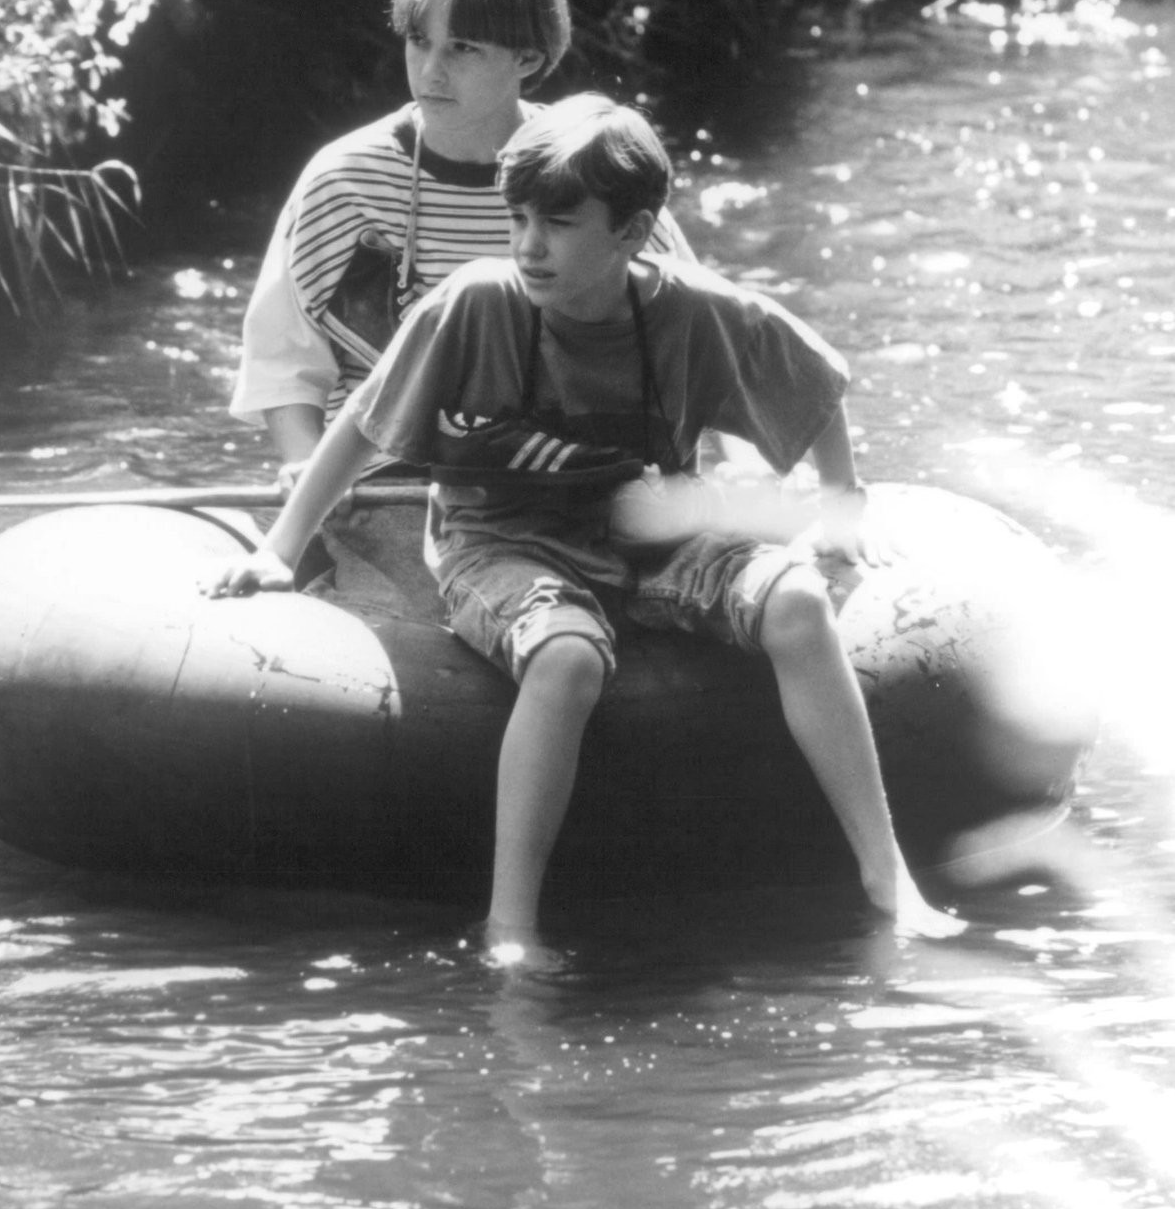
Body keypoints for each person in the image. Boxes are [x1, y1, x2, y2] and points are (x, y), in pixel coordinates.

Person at [208, 94, 965, 954]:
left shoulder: (692, 309)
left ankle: (885, 875)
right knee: (567, 657)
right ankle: (511, 923)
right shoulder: (476, 305)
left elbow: (809, 380)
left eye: (559, 224)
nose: (529, 244)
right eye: (518, 218)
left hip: (654, 526)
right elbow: (358, 427)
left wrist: (842, 504)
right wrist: (282, 545)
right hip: (501, 537)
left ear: (633, 231)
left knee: (796, 602)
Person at [229, 0, 693, 484]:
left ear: (527, 57)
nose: (430, 72)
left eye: (463, 48)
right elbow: (285, 363)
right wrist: (304, 468)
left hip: (564, 486)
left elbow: (697, 345)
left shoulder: (595, 167)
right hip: (381, 490)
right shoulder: (343, 179)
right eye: (419, 41)